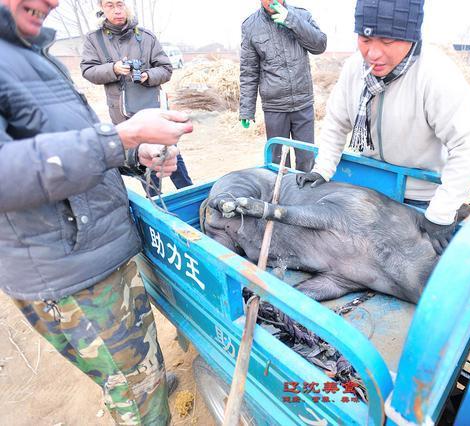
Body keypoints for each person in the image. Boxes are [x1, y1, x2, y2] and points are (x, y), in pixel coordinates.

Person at [0, 0, 194, 424]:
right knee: (138, 398)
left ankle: (145, 385)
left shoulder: (28, 52)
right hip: (72, 275)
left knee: (136, 369)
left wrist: (132, 152)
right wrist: (121, 136)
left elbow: (69, 140)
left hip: (97, 253)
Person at [296, 0, 470, 255]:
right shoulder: (355, 68)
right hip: (369, 188)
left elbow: (469, 144)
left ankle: (455, 211)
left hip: (420, 195)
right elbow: (336, 122)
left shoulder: (435, 74)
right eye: (365, 41)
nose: (373, 54)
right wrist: (322, 169)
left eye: (386, 42)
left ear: (411, 37)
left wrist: (441, 212)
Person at [81, 0, 193, 194]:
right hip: (125, 116)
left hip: (154, 111)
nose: (117, 10)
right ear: (101, 8)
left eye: (120, 4)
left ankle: (192, 200)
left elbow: (166, 69)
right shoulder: (94, 39)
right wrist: (113, 69)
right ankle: (156, 208)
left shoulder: (146, 37)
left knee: (170, 157)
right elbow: (88, 70)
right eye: (110, 5)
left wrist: (147, 76)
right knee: (143, 164)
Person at [240, 0, 327, 172]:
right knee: (279, 163)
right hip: (275, 107)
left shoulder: (302, 15)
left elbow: (320, 45)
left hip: (303, 103)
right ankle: (281, 196)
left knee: (307, 160)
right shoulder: (251, 26)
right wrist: (246, 109)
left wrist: (291, 20)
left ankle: (305, 195)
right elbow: (249, 71)